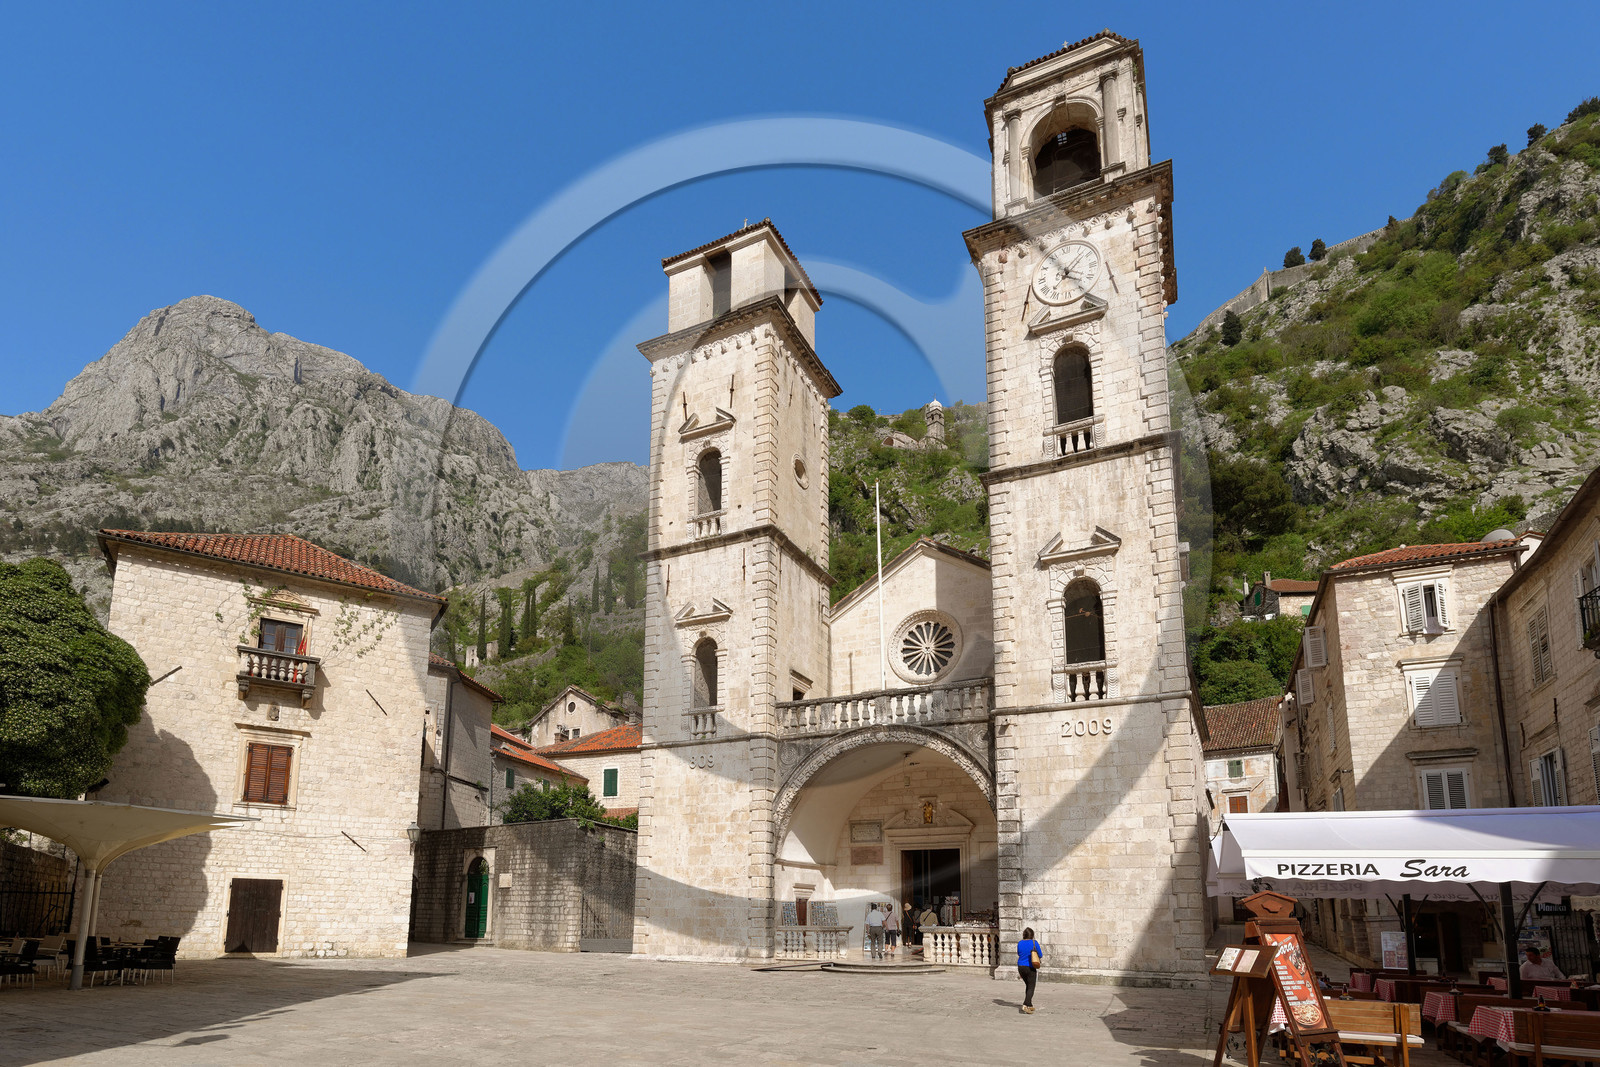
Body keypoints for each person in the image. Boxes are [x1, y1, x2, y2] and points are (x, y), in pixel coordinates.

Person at [1016, 926, 1042, 1014]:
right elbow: (1040, 955)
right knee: (1031, 986)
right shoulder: (1034, 943)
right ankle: (1025, 1004)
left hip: (1021, 967)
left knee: (1028, 985)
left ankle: (1029, 1004)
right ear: (1032, 935)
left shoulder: (1020, 943)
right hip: (1030, 967)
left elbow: (1019, 953)